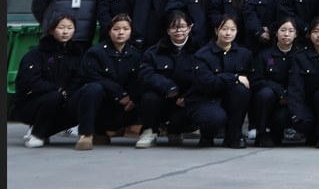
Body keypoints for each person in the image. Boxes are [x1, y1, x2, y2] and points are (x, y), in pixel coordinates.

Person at [14, 14, 84, 149]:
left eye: (70, 28)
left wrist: (68, 94)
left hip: (62, 100)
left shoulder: (76, 53)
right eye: (61, 27)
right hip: (30, 104)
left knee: (83, 103)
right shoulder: (37, 53)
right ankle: (37, 135)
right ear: (51, 30)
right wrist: (59, 92)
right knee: (55, 97)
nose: (65, 32)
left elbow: (78, 79)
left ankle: (44, 131)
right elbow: (30, 81)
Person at [75, 14, 143, 150]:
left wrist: (131, 98)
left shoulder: (136, 54)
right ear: (109, 31)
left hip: (121, 103)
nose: (121, 32)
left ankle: (100, 130)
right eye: (116, 29)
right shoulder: (95, 52)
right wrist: (119, 93)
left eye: (125, 29)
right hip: (101, 100)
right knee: (94, 89)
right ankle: (86, 134)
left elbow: (137, 80)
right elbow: (91, 76)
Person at [188, 14, 253, 148]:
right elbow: (205, 82)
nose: (228, 33)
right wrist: (234, 78)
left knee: (242, 90)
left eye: (233, 29)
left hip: (232, 97)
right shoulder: (202, 55)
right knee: (214, 117)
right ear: (216, 30)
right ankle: (207, 136)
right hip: (208, 97)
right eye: (224, 29)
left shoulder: (245, 54)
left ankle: (233, 136)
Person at [136, 11, 200, 147]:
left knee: (195, 104)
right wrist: (168, 87)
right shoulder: (154, 52)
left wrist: (188, 96)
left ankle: (174, 131)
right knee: (149, 97)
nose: (178, 30)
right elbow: (145, 75)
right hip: (161, 97)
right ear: (167, 30)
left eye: (183, 26)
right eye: (173, 27)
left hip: (183, 100)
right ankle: (149, 131)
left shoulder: (199, 52)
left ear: (189, 28)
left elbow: (203, 78)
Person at [288, 17, 319, 148]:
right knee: (301, 123)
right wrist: (297, 114)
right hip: (308, 103)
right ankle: (310, 134)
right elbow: (296, 87)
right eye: (315, 31)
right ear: (309, 34)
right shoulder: (300, 56)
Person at [249, 17, 299, 148]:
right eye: (283, 30)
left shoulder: (300, 55)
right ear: (276, 33)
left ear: (296, 34)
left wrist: (288, 94)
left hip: (288, 102)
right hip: (268, 101)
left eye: (291, 31)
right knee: (265, 93)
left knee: (282, 118)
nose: (286, 34)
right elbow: (255, 81)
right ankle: (261, 134)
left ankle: (277, 133)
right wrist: (279, 90)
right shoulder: (264, 55)